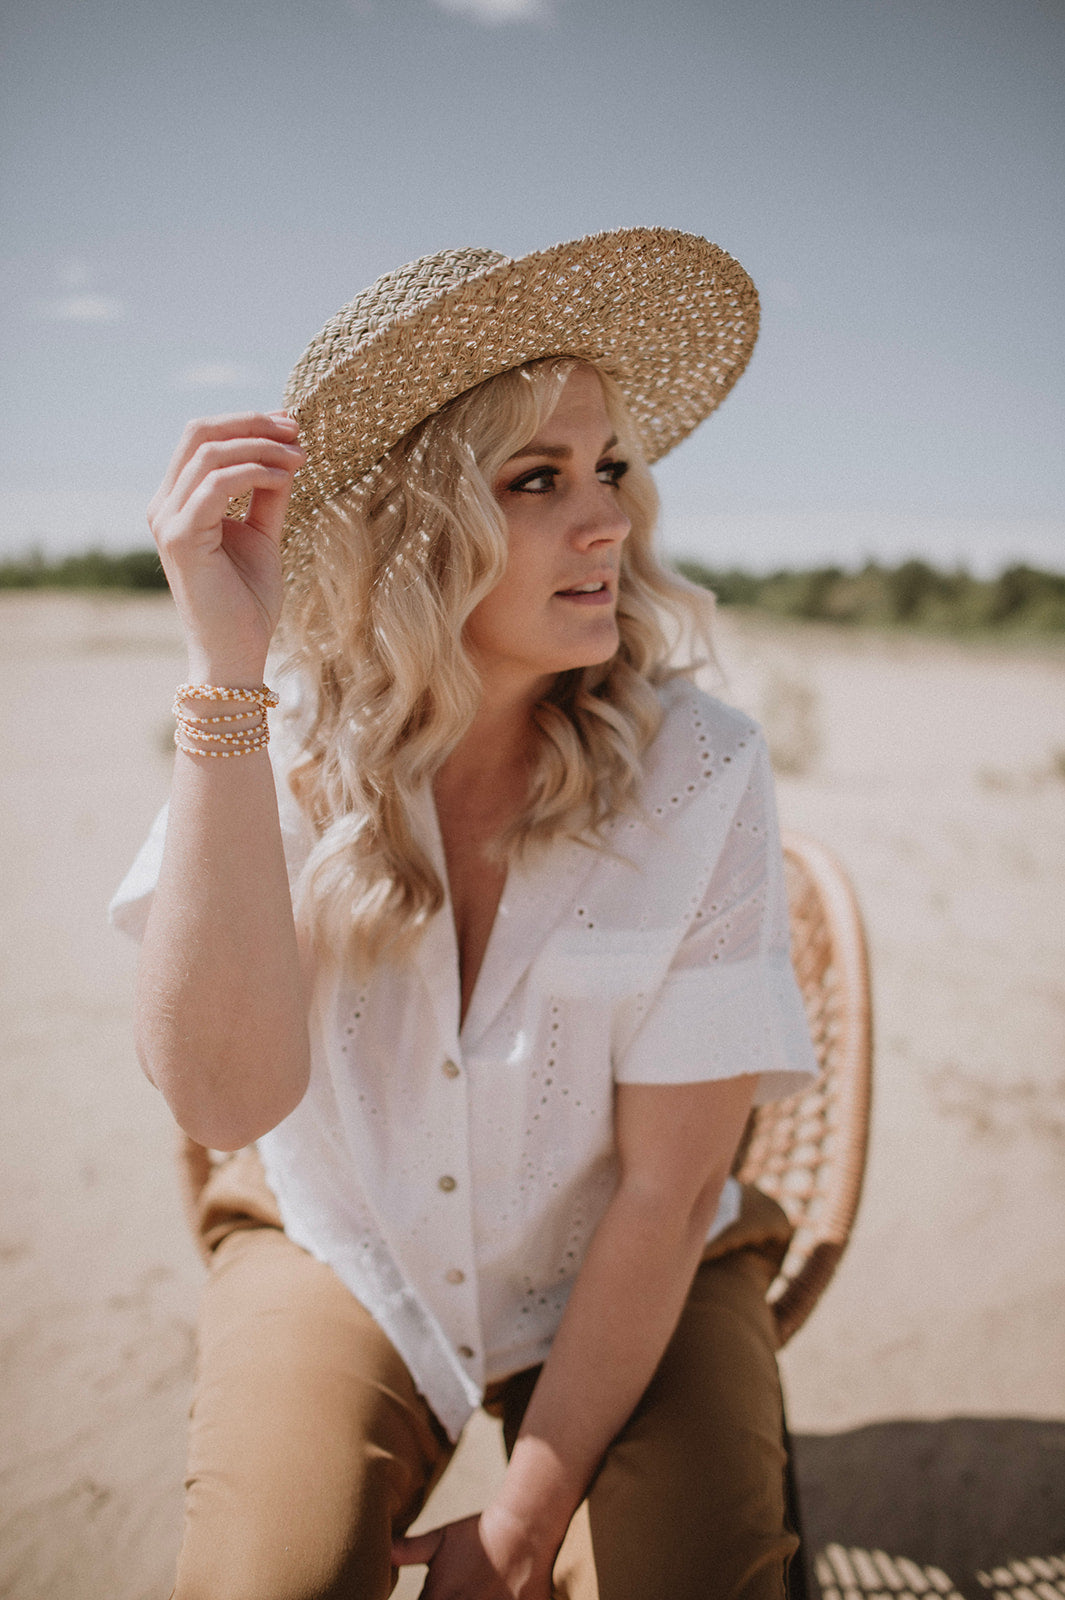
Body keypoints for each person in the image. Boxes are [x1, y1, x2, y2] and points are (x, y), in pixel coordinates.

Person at [111, 227, 819, 1600]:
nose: (608, 520)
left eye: (609, 468)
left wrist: (523, 1523)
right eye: (538, 479)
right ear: (413, 525)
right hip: (348, 1234)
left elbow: (670, 1190)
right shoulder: (275, 741)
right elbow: (220, 1101)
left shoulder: (703, 768)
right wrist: (223, 674)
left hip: (640, 1258)